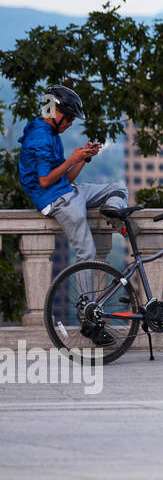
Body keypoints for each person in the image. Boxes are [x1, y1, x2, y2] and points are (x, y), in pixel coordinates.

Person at [18, 85, 128, 345]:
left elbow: (65, 178)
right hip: (57, 201)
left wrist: (83, 159)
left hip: (68, 191)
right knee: (87, 253)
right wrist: (72, 158)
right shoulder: (40, 137)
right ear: (55, 112)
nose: (69, 124)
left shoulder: (50, 132)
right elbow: (45, 181)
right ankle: (89, 319)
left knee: (119, 188)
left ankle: (110, 213)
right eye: (68, 118)